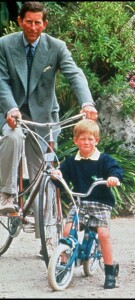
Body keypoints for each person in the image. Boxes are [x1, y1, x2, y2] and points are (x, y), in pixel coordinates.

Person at [0, 1, 98, 233]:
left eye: (38, 23)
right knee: (12, 137)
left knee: (42, 170)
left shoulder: (56, 47)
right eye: (28, 22)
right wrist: (10, 108)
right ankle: (6, 194)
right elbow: (1, 81)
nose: (33, 27)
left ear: (45, 24)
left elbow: (75, 74)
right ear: (20, 21)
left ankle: (44, 232)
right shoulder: (4, 45)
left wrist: (87, 103)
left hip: (43, 115)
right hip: (12, 111)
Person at [51, 119, 123, 289]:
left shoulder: (104, 160)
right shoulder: (71, 161)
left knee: (103, 234)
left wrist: (114, 178)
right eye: (82, 139)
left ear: (96, 140)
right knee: (67, 230)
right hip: (80, 202)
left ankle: (110, 271)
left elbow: (116, 169)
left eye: (90, 139)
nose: (86, 142)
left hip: (100, 203)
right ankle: (63, 263)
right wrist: (57, 175)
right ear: (75, 141)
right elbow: (62, 178)